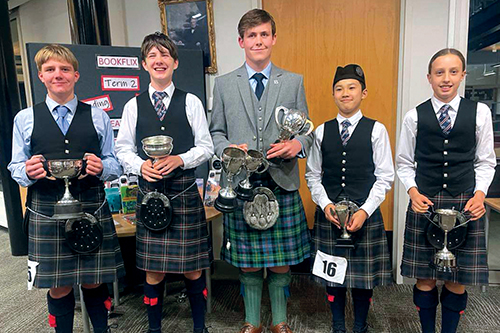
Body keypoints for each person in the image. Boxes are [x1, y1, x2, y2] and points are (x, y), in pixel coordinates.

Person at [8, 44, 124, 333]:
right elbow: (15, 167)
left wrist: (103, 167)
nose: (57, 74)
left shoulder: (98, 116)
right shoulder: (24, 118)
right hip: (46, 210)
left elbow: (114, 163)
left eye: (64, 69)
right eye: (50, 70)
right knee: (58, 285)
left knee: (94, 280)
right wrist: (27, 171)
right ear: (41, 77)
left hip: (90, 206)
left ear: (76, 75)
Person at [209, 9, 312, 333]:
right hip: (242, 183)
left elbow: (304, 129)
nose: (258, 41)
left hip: (281, 181)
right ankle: (252, 321)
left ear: (273, 38)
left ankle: (280, 321)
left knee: (281, 261)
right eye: (251, 36)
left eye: (264, 34)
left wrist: (298, 145)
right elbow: (215, 133)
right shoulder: (224, 84)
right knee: (248, 263)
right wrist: (227, 151)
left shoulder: (293, 81)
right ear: (241, 41)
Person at [115, 32, 214, 333]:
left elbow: (206, 146)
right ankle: (154, 329)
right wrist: (140, 165)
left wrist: (181, 159)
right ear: (144, 64)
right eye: (153, 56)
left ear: (175, 62)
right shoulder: (133, 105)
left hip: (183, 191)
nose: (159, 60)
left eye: (165, 55)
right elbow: (122, 149)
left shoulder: (191, 101)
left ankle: (200, 328)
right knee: (153, 271)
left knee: (194, 270)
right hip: (150, 195)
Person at [396, 48, 496, 333]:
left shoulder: (480, 113)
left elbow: (486, 161)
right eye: (439, 72)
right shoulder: (413, 116)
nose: (446, 78)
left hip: (466, 202)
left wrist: (480, 195)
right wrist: (412, 192)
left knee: (457, 278)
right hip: (425, 203)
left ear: (463, 75)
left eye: (453, 72)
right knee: (424, 279)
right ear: (429, 77)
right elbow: (404, 162)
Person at [305, 64, 393, 333]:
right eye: (339, 89)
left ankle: (359, 326)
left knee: (362, 281)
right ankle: (338, 326)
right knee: (333, 276)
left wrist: (365, 211)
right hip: (330, 215)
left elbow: (385, 177)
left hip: (364, 216)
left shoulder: (377, 130)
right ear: (333, 94)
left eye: (351, 88)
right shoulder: (320, 132)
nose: (345, 93)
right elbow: (312, 176)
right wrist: (326, 204)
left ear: (363, 93)